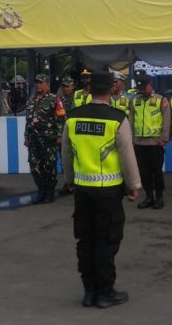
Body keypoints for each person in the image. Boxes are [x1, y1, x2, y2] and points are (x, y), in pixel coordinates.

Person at [61, 71, 142, 308]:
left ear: (88, 90)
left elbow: (66, 152)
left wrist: (70, 180)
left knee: (85, 240)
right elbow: (127, 155)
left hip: (82, 190)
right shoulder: (117, 118)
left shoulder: (73, 117)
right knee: (106, 241)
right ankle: (105, 293)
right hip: (108, 192)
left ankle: (89, 292)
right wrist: (134, 185)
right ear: (112, 90)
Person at [130, 73, 171, 210]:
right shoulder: (135, 100)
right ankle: (149, 196)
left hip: (155, 143)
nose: (141, 90)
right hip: (139, 143)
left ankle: (159, 197)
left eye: (144, 87)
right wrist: (132, 139)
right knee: (144, 172)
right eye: (139, 87)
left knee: (157, 172)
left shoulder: (161, 100)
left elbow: (166, 120)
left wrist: (164, 138)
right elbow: (131, 121)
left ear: (151, 85)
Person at [25, 73, 66, 204]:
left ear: (47, 84)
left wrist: (59, 135)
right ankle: (41, 190)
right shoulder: (31, 100)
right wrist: (26, 136)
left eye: (41, 83)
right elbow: (28, 121)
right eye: (37, 83)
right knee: (34, 166)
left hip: (49, 139)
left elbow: (61, 119)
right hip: (33, 139)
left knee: (49, 166)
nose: (38, 85)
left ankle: (49, 191)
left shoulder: (54, 99)